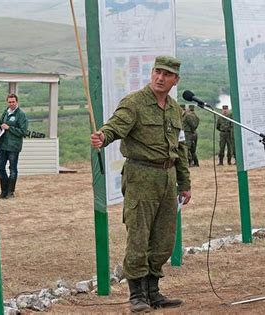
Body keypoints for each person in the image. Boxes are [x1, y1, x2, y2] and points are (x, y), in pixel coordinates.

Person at [90, 55, 191, 312]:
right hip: (141, 176)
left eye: (167, 74)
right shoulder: (134, 103)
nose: (160, 77)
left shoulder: (174, 108)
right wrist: (104, 136)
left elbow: (179, 148)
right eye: (157, 72)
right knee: (139, 237)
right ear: (151, 73)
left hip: (167, 179)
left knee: (164, 239)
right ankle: (137, 295)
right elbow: (116, 125)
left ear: (175, 80)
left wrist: (184, 183)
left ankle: (153, 291)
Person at [0, 93, 28, 198]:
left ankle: (10, 192)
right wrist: (0, 128)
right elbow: (0, 123)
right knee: (0, 167)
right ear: (7, 102)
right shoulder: (5, 113)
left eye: (13, 102)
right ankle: (4, 191)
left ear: (17, 102)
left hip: (14, 146)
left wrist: (9, 128)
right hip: (3, 145)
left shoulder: (21, 115)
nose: (11, 103)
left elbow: (23, 131)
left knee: (12, 169)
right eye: (9, 102)